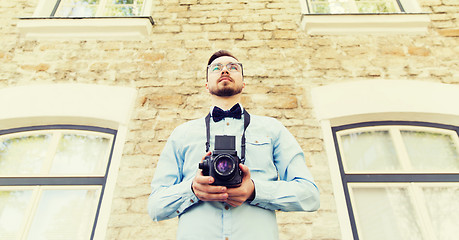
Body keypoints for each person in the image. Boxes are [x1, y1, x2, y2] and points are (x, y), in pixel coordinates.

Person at [148, 50, 320, 240]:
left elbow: (310, 195)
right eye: (216, 68)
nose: (224, 70)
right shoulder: (182, 134)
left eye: (233, 67)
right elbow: (155, 206)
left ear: (243, 83)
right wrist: (192, 189)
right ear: (206, 84)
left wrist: (255, 190)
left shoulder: (272, 129)